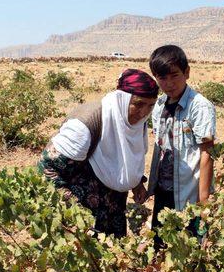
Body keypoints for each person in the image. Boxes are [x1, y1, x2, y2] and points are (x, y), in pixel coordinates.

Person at [38, 69, 159, 237]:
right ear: (121, 100)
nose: (144, 112)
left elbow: (124, 157)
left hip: (113, 211)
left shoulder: (136, 123)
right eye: (138, 104)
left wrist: (136, 183)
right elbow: (46, 168)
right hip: (80, 217)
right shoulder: (87, 124)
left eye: (150, 105)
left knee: (113, 258)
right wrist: (73, 207)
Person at [147, 45, 216, 247]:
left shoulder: (199, 106)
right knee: (161, 247)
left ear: (187, 73)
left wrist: (203, 201)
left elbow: (207, 153)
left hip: (189, 193)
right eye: (162, 78)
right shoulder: (159, 105)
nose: (169, 84)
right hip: (164, 190)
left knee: (189, 251)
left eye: (174, 76)